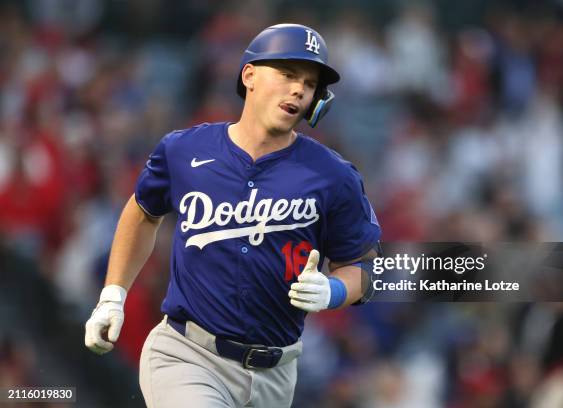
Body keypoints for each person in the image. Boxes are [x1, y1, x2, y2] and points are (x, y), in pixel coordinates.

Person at [84, 23, 381, 407]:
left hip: (276, 374)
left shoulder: (333, 175)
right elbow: (143, 213)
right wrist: (112, 296)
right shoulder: (184, 150)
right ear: (250, 75)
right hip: (187, 356)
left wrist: (334, 289)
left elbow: (366, 269)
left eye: (309, 83)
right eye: (288, 74)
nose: (299, 89)